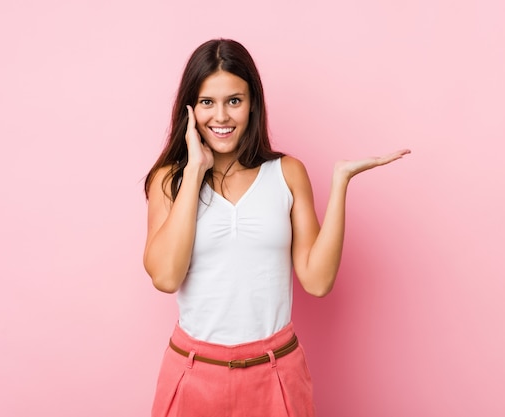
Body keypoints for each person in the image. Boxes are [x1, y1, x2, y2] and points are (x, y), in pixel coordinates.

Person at [143, 38, 410, 417]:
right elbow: (166, 277)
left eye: (234, 100)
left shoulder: (287, 173)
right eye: (207, 102)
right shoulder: (169, 180)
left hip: (276, 375)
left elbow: (318, 282)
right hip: (193, 375)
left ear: (253, 104)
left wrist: (340, 182)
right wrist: (194, 171)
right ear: (189, 108)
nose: (221, 116)